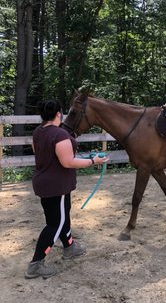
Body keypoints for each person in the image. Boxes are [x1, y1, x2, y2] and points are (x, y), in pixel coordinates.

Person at [25, 100, 109, 279]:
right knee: (55, 224)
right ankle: (36, 264)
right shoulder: (60, 134)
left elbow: (40, 152)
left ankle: (69, 246)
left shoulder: (38, 132)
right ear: (58, 114)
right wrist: (94, 161)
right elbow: (68, 162)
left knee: (62, 216)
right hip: (57, 186)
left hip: (46, 183)